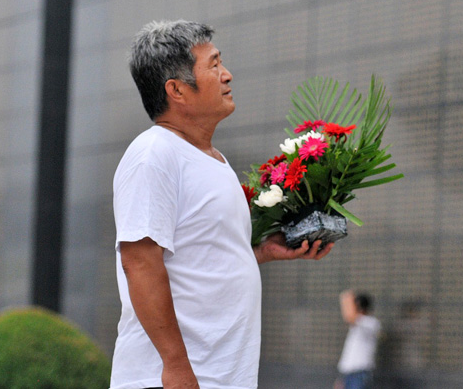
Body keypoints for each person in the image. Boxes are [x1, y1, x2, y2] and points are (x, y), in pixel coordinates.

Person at [110, 20, 334, 389]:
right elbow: (140, 262)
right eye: (213, 65)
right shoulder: (154, 155)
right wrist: (177, 368)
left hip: (221, 376)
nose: (227, 75)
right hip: (171, 379)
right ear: (177, 90)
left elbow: (197, 255)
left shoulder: (213, 159)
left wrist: (259, 252)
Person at [335, 290, 381, 389]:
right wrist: (341, 379)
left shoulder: (371, 323)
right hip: (348, 374)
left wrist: (347, 299)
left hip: (359, 374)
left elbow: (349, 317)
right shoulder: (356, 326)